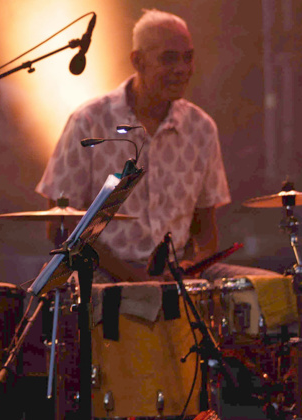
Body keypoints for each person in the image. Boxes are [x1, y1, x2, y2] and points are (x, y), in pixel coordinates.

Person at [37, 9, 274, 282]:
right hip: (104, 274)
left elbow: (205, 230)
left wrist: (192, 264)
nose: (182, 69)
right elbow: (59, 226)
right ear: (137, 61)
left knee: (271, 288)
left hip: (176, 275)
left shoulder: (202, 127)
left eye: (188, 57)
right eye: (169, 58)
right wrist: (134, 277)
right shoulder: (88, 121)